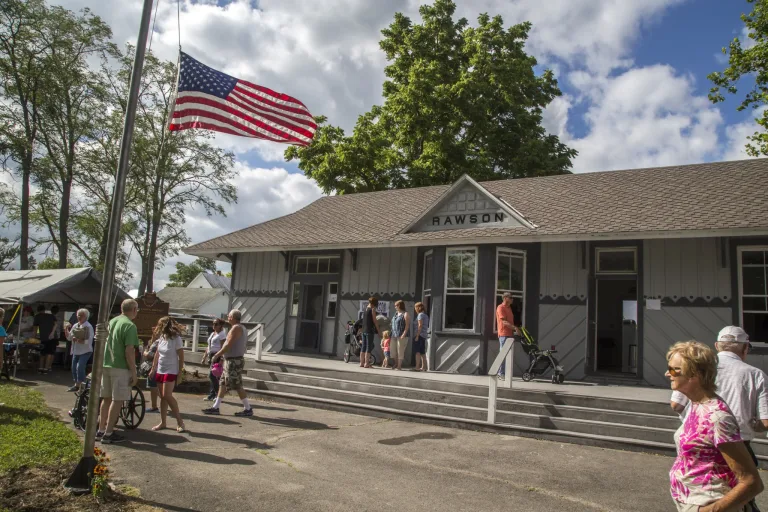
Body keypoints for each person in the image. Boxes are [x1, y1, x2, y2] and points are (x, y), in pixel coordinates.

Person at [670, 326, 768, 510]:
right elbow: (765, 422)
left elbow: (751, 482)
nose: (668, 374)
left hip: (717, 483)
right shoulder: (754, 374)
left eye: (674, 370)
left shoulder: (716, 416)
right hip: (700, 474)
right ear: (745, 348)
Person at [98, 299, 140, 444]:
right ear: (134, 309)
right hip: (120, 366)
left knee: (106, 398)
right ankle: (109, 433)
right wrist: (134, 371)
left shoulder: (112, 321)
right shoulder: (130, 326)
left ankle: (101, 429)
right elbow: (129, 351)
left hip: (106, 363)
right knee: (117, 400)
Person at [203, 309, 253, 417]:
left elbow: (227, 345)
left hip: (234, 361)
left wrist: (218, 355)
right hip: (230, 359)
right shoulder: (240, 327)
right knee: (222, 383)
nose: (228, 317)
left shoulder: (236, 328)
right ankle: (215, 407)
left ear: (233, 317)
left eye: (229, 316)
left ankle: (248, 408)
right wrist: (223, 357)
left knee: (237, 385)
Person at [148, 317, 186, 433]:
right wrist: (153, 368)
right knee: (162, 396)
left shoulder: (176, 338)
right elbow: (157, 354)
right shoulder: (162, 337)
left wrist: (180, 372)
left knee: (167, 395)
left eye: (160, 324)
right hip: (161, 369)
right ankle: (163, 422)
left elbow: (181, 356)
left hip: (171, 370)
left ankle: (180, 422)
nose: (158, 327)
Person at [65, 308, 94, 392]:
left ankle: (80, 385)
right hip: (76, 350)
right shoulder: (75, 325)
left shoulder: (88, 326)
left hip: (86, 351)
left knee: (80, 366)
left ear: (86, 317)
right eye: (78, 315)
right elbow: (69, 338)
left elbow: (89, 340)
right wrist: (66, 329)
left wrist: (80, 340)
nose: (79, 317)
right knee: (74, 368)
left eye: (81, 315)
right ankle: (77, 384)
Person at [496, 292, 520, 381]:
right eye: (511, 297)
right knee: (503, 354)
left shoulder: (509, 308)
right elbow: (504, 322)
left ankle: (506, 374)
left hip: (509, 334)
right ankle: (500, 373)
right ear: (505, 298)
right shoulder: (500, 307)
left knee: (508, 355)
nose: (512, 299)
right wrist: (515, 328)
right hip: (503, 334)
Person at [202, 318, 227, 401]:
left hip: (217, 355)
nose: (214, 325)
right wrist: (204, 357)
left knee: (214, 376)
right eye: (213, 323)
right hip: (211, 355)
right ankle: (212, 394)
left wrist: (221, 359)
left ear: (221, 326)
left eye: (216, 324)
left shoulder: (222, 334)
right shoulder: (213, 333)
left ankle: (218, 394)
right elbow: (208, 346)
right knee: (212, 376)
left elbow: (223, 347)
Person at [34, 305, 58, 374]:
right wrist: (52, 333)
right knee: (49, 353)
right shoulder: (51, 316)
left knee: (43, 353)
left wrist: (34, 338)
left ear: (38, 311)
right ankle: (46, 368)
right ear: (44, 310)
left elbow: (35, 329)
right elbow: (56, 324)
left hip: (44, 337)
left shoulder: (37, 317)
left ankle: (41, 368)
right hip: (52, 337)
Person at [390, 300, 411, 371]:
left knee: (400, 351)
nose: (395, 307)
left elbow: (407, 326)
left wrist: (404, 334)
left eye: (396, 305)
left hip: (401, 335)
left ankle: (399, 366)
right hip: (393, 334)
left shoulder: (405, 314)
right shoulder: (396, 314)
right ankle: (396, 363)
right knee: (392, 351)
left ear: (400, 305)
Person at [360, 297, 380, 369]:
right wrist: (378, 331)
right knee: (368, 347)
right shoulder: (373, 309)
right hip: (370, 330)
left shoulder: (365, 308)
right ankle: (367, 363)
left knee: (363, 347)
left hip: (364, 330)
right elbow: (375, 321)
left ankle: (361, 363)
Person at [143, 336, 160, 413]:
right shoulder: (159, 341)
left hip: (154, 367)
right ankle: (167, 402)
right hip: (159, 367)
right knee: (158, 388)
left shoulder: (157, 342)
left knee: (153, 387)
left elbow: (150, 355)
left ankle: (154, 406)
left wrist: (145, 352)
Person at [413, 302, 429, 372]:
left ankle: (417, 367)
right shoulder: (425, 315)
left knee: (417, 352)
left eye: (415, 307)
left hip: (419, 335)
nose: (415, 309)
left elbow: (420, 325)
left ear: (418, 307)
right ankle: (424, 367)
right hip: (424, 335)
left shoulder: (420, 315)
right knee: (422, 352)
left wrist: (417, 336)